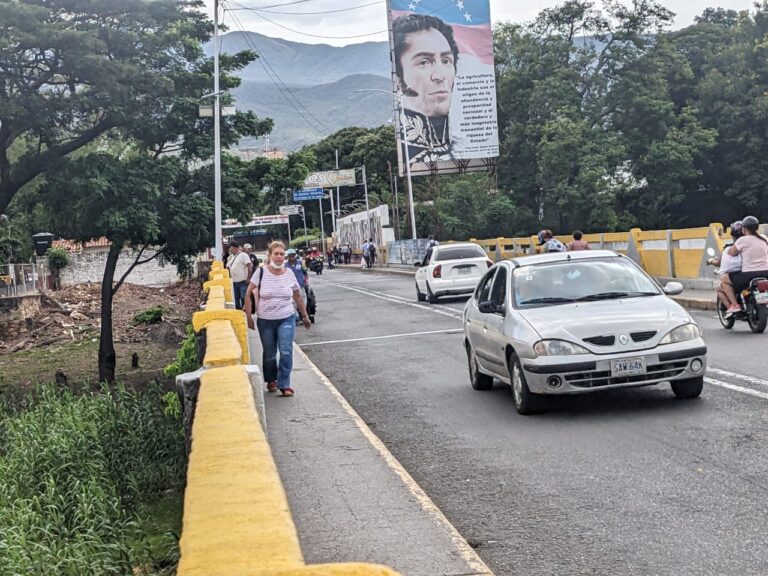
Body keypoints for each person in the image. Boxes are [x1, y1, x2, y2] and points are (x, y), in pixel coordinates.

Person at [245, 241, 310, 397]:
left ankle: (284, 383)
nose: (280, 257)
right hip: (265, 321)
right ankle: (271, 379)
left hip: (286, 318)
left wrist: (305, 315)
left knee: (286, 351)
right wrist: (248, 317)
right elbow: (248, 294)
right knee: (270, 354)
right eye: (276, 254)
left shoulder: (289, 273)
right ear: (270, 255)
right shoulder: (260, 272)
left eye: (282, 254)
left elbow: (297, 296)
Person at [393, 14, 459, 164]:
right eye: (424, 62)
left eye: (446, 61)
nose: (439, 75)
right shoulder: (399, 148)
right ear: (399, 79)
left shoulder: (469, 144)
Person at [722, 216, 768, 317]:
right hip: (766, 273)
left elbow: (731, 253)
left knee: (724, 279)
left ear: (744, 228)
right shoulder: (764, 238)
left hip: (748, 275)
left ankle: (735, 305)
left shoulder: (742, 240)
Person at [707, 221, 743, 310]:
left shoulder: (729, 248)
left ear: (733, 235)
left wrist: (711, 261)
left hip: (740, 277)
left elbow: (719, 262)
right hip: (757, 273)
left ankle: (733, 306)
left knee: (721, 287)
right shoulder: (754, 244)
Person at [285, 248, 309, 324]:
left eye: (293, 255)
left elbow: (305, 272)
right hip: (290, 287)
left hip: (301, 285)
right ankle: (296, 317)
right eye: (290, 255)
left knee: (303, 301)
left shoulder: (300, 262)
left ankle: (303, 313)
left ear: (295, 255)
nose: (291, 257)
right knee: (293, 303)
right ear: (288, 256)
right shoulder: (285, 265)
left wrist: (306, 281)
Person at [226, 241, 252, 310]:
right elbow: (228, 267)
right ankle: (239, 313)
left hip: (243, 281)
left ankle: (246, 312)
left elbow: (249, 267)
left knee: (244, 298)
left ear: (234, 248)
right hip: (234, 282)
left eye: (230, 248)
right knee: (236, 299)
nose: (229, 249)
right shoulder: (231, 257)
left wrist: (248, 278)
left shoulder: (243, 255)